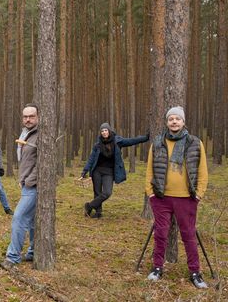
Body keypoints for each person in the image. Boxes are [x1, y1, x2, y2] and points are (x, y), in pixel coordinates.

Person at [145, 106, 208, 289]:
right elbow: (149, 170)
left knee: (188, 235)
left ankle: (195, 272)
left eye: (177, 119)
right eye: (171, 118)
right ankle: (157, 268)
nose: (174, 121)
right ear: (167, 122)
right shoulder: (157, 143)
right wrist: (150, 193)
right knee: (161, 234)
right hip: (161, 198)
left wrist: (198, 194)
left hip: (187, 198)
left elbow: (203, 171)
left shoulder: (195, 143)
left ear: (183, 122)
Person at [0, 104, 39, 269]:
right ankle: (33, 252)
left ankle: (13, 257)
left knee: (19, 218)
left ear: (38, 117)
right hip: (26, 183)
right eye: (25, 116)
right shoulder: (25, 133)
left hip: (34, 185)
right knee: (31, 221)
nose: (28, 119)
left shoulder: (40, 135)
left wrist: (29, 180)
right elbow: (26, 160)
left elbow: (43, 162)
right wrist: (22, 179)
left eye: (31, 116)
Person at [81, 123, 149, 218]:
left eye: (106, 130)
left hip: (109, 172)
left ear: (109, 131)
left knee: (107, 193)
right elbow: (91, 158)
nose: (104, 132)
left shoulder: (117, 141)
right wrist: (85, 170)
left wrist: (145, 138)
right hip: (97, 171)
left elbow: (131, 141)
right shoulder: (97, 144)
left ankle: (89, 206)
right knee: (97, 192)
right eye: (102, 131)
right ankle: (98, 212)